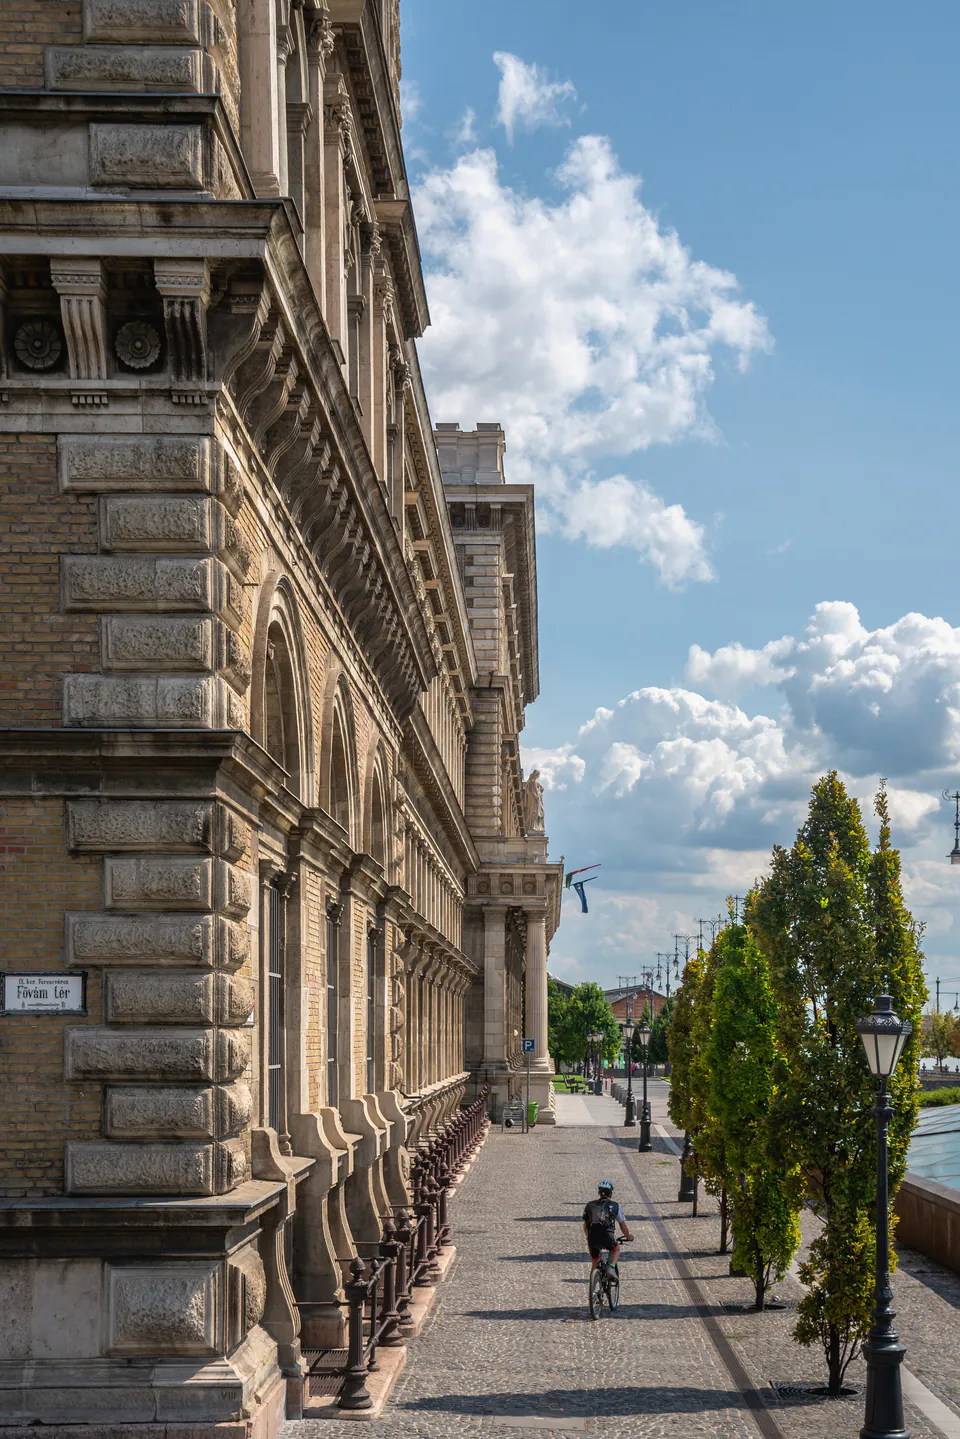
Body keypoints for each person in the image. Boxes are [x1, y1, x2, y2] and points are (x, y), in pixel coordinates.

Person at [582, 1180, 633, 1272]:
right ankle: (611, 1267)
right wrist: (628, 1237)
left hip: (592, 1238)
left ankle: (593, 1280)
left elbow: (585, 1226)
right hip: (608, 1236)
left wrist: (587, 1236)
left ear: (598, 1193)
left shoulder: (589, 1205)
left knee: (595, 1262)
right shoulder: (615, 1206)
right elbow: (622, 1225)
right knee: (615, 1249)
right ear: (611, 1193)